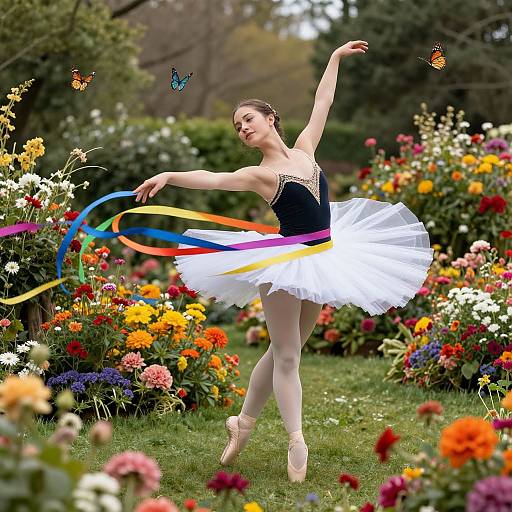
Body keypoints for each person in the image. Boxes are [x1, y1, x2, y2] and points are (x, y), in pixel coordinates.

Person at [133, 40, 434, 483]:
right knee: (289, 357)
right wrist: (170, 176)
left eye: (248, 119)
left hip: (324, 257)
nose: (242, 129)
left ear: (270, 117)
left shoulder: (306, 149)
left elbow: (323, 102)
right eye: (237, 126)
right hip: (284, 263)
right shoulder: (261, 174)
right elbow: (214, 179)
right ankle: (297, 439)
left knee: (282, 351)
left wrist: (333, 59)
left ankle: (243, 424)